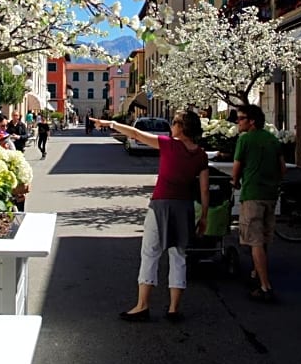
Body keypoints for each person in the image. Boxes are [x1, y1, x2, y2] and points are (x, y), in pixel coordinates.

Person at [92, 111, 210, 323]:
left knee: (150, 252)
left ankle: (142, 305)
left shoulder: (169, 145)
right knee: (178, 256)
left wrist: (111, 123)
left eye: (174, 122)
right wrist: (204, 217)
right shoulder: (200, 154)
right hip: (184, 207)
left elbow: (136, 134)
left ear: (182, 127)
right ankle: (174, 309)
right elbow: (204, 190)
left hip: (161, 204)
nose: (171, 126)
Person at [231, 104, 286, 304]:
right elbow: (282, 168)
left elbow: (236, 168)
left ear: (251, 121)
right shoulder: (272, 140)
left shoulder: (245, 140)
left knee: (254, 240)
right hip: (270, 195)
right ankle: (256, 271)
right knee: (263, 238)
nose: (238, 122)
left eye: (241, 118)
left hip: (252, 193)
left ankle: (265, 286)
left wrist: (235, 182)